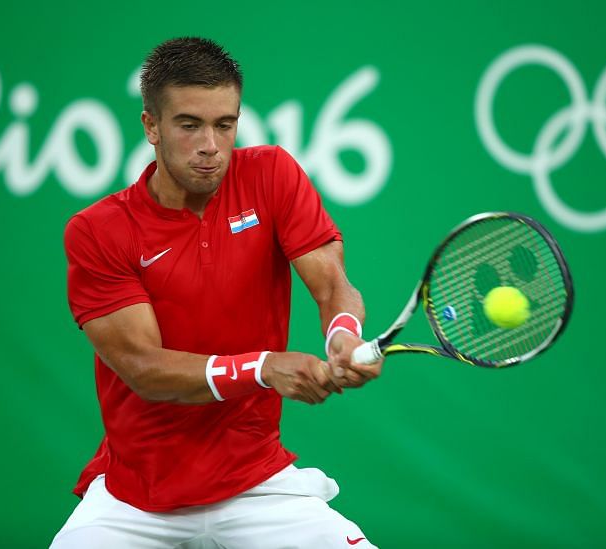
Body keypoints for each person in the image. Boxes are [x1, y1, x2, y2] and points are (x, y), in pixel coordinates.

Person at [50, 37, 382, 549]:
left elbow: (333, 284)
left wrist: (343, 332)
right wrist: (264, 367)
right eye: (190, 125)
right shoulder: (99, 231)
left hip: (256, 484)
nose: (211, 144)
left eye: (225, 125)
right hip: (137, 498)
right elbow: (144, 368)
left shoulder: (271, 174)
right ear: (151, 127)